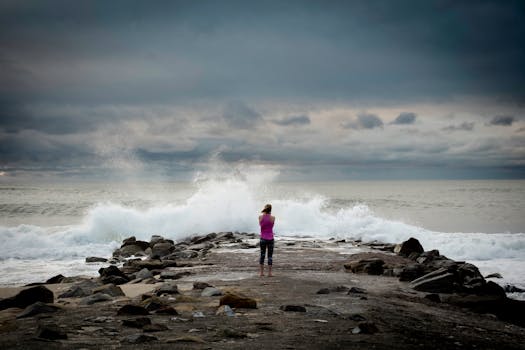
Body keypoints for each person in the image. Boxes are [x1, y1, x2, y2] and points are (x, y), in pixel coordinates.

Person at [259, 203, 275, 277]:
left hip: (263, 238)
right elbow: (271, 227)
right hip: (270, 238)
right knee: (270, 256)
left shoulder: (260, 217)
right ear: (270, 210)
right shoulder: (273, 218)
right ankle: (269, 273)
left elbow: (261, 226)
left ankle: (261, 273)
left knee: (262, 255)